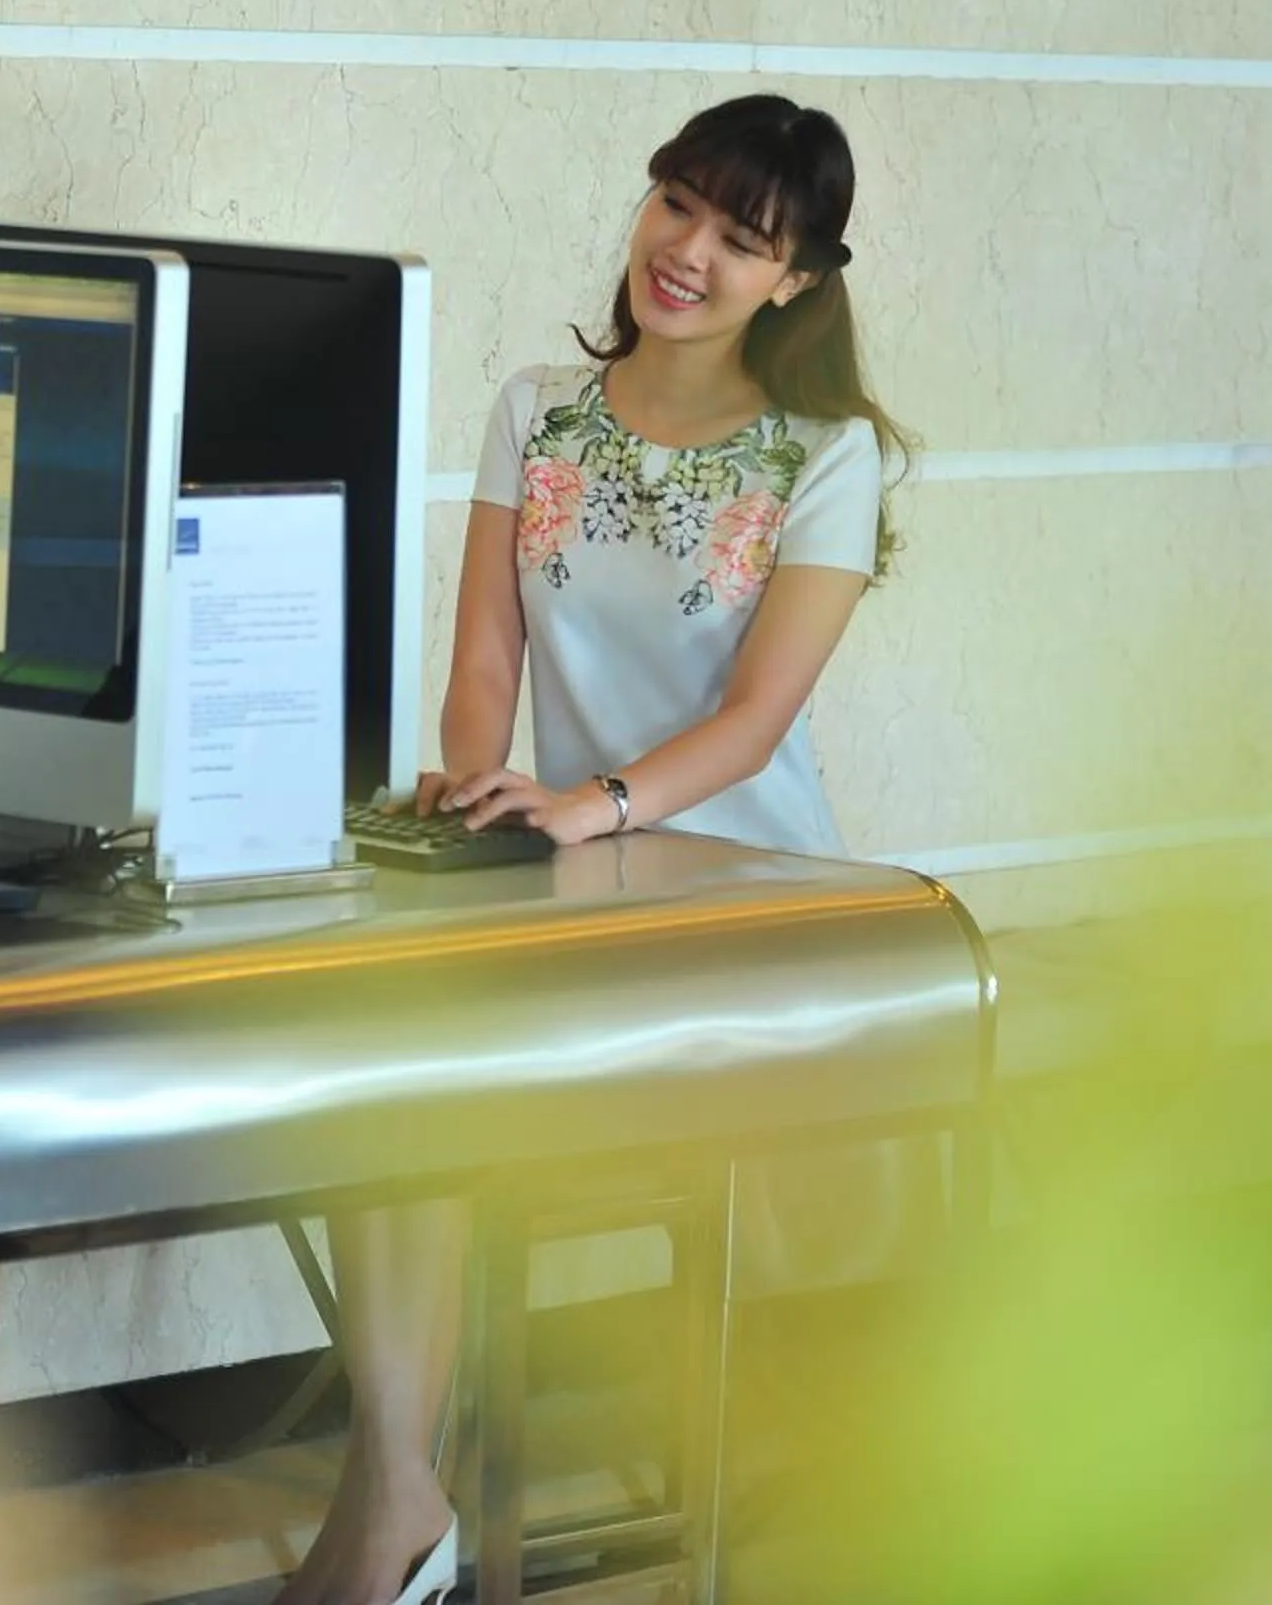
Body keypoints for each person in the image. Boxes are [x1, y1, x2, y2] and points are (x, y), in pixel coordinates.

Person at [279, 94, 908, 1605]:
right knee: (390, 1076)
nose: (685, 253)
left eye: (739, 237)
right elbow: (484, 659)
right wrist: (484, 788)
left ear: (798, 279)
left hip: (755, 907)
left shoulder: (826, 455)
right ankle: (400, 1501)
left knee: (431, 1092)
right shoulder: (535, 409)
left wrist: (595, 803)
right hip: (572, 892)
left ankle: (386, 1527)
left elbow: (755, 727)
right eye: (675, 205)